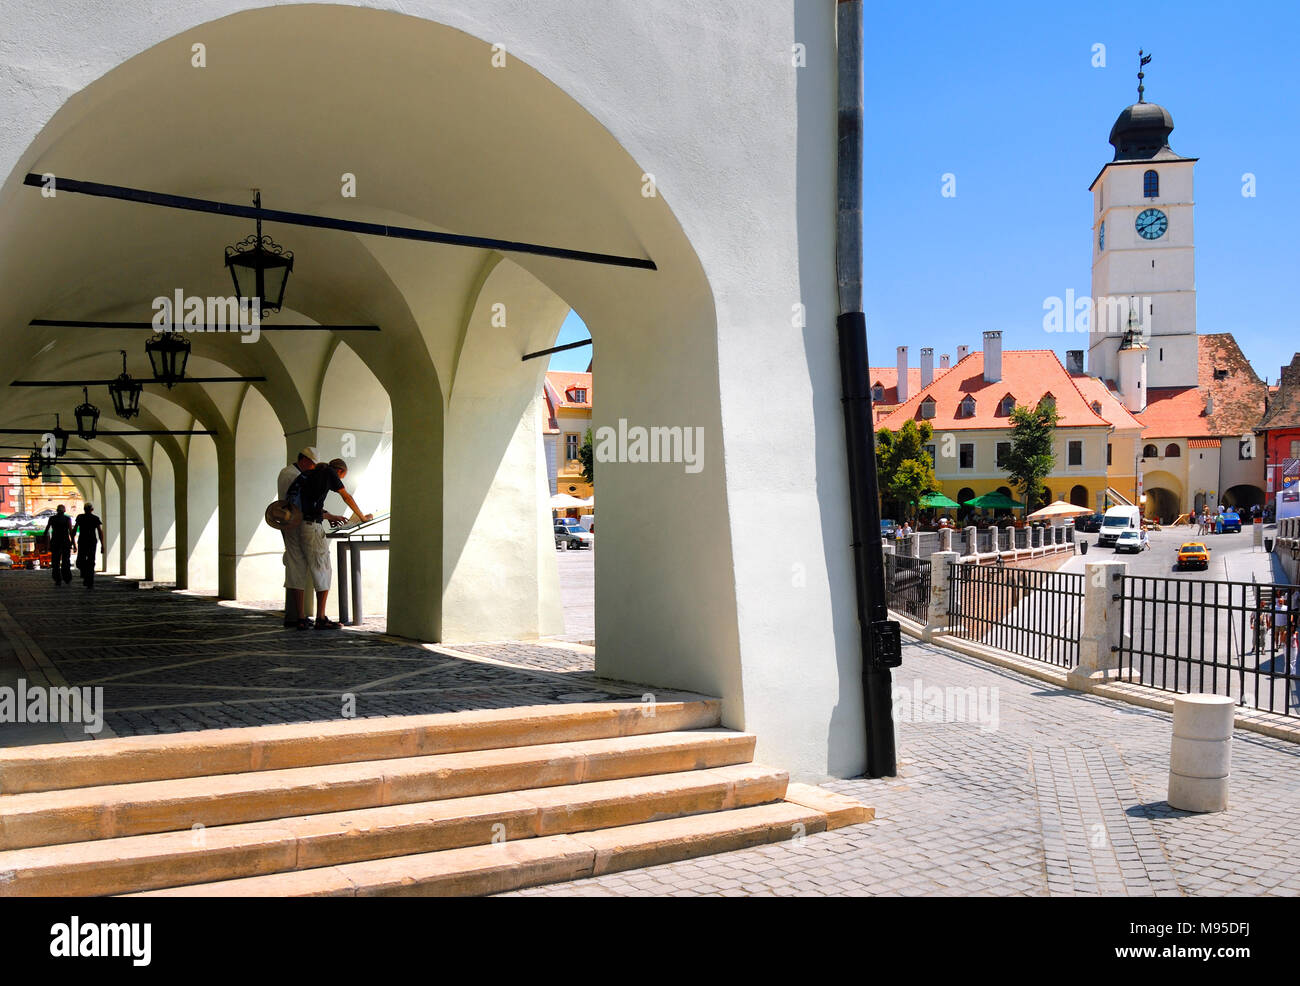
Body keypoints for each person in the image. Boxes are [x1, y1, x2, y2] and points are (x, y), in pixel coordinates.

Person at [286, 458, 372, 630]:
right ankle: (321, 617)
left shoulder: (310, 473)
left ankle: (301, 618)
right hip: (311, 528)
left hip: (293, 526)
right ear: (339, 471)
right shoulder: (329, 473)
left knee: (297, 569)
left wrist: (329, 516)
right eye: (342, 476)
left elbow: (308, 504)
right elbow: (346, 496)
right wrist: (362, 517)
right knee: (323, 569)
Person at [278, 446, 318, 628]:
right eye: (312, 464)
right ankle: (297, 615)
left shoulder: (289, 472)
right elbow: (296, 502)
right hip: (293, 523)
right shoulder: (291, 474)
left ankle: (296, 615)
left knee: (296, 565)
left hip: (292, 522)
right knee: (295, 566)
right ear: (305, 461)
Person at [72, 503, 105, 590]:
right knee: (91, 561)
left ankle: (87, 578)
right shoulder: (95, 518)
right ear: (92, 509)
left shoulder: (80, 517)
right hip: (91, 542)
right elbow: (100, 532)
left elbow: (74, 529)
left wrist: (73, 541)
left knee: (80, 561)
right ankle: (89, 579)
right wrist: (102, 544)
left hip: (83, 541)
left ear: (84, 509)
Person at [43, 504, 74, 585]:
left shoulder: (52, 518)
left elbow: (46, 530)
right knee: (66, 561)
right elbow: (71, 532)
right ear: (64, 511)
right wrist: (73, 543)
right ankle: (67, 578)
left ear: (57, 510)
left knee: (55, 562)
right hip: (65, 542)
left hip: (55, 542)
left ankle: (57, 579)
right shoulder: (67, 519)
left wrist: (46, 543)